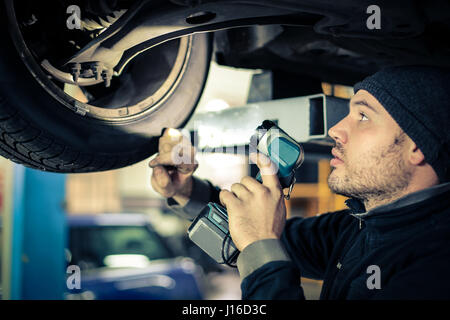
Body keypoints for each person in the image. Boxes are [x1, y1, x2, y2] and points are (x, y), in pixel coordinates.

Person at [149, 65, 450, 300]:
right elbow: (272, 237)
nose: (335, 129)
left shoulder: (436, 268)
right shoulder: (361, 224)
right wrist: (187, 191)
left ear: (417, 147)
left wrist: (261, 245)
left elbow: (263, 241)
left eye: (362, 116)